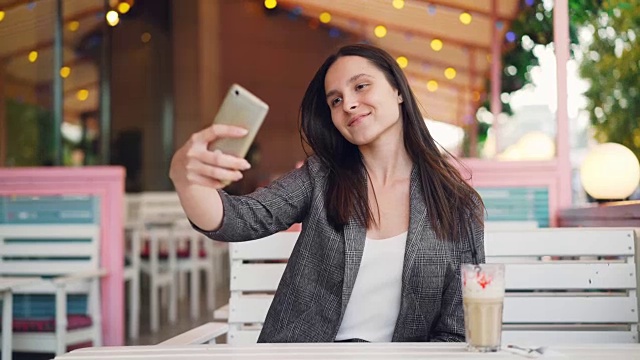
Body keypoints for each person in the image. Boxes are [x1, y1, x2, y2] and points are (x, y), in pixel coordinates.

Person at [169, 44, 485, 343]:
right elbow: (238, 219)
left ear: (398, 90)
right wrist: (187, 180)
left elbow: (458, 330)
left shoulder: (457, 205)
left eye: (361, 86)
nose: (347, 104)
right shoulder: (321, 177)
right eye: (335, 100)